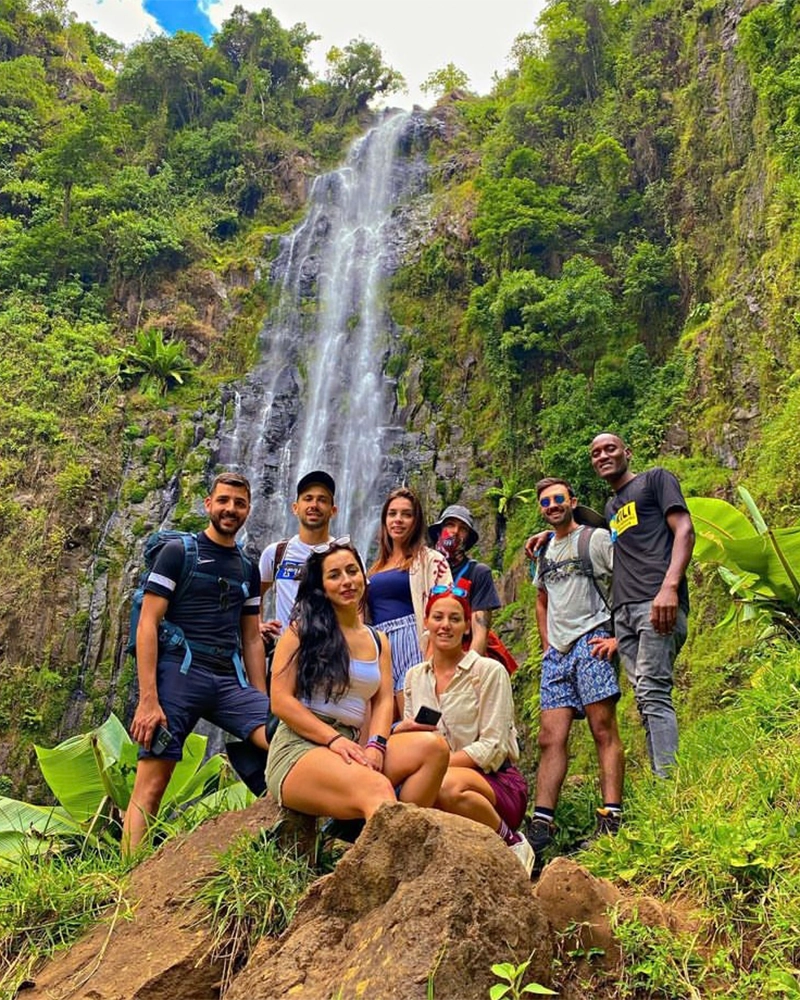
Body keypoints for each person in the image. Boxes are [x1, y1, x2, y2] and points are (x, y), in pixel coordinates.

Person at [123, 472, 271, 854]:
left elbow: (252, 637)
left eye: (239, 503)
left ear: (248, 509)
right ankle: (123, 885)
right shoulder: (179, 554)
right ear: (208, 504)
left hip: (226, 679)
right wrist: (148, 699)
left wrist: (263, 701)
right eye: (223, 501)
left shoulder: (247, 568)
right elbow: (148, 624)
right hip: (179, 676)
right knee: (151, 787)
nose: (230, 509)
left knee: (280, 736)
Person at [266, 538, 449, 820]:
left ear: (364, 576)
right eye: (334, 575)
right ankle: (391, 852)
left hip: (355, 746)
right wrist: (334, 740)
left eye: (352, 571)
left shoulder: (378, 640)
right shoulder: (299, 632)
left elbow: (383, 698)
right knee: (377, 788)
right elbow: (280, 701)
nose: (347, 581)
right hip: (300, 747)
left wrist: (376, 745)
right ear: (322, 588)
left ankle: (390, 830)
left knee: (434, 748)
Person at [398, 586, 535, 877]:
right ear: (426, 622)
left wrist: (434, 765)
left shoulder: (487, 671)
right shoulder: (414, 677)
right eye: (438, 617)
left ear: (466, 626)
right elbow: (412, 741)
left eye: (454, 619)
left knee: (443, 784)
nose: (445, 625)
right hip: (437, 779)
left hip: (495, 783)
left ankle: (511, 843)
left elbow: (494, 748)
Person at [527, 477, 625, 865]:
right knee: (550, 737)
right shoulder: (544, 550)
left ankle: (612, 816)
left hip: (592, 639)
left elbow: (627, 579)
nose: (553, 505)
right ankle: (541, 826)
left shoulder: (595, 540)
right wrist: (546, 643)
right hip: (558, 653)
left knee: (604, 728)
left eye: (558, 498)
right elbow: (541, 598)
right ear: (541, 509)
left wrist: (619, 637)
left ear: (572, 501)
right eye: (546, 501)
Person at [589, 433, 694, 777]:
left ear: (627, 452)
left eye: (610, 449)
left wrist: (669, 587)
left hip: (657, 601)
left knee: (653, 690)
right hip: (625, 613)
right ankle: (664, 777)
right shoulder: (611, 508)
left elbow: (684, 530)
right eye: (596, 453)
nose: (603, 455)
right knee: (644, 697)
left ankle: (670, 783)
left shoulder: (655, 480)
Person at [367, 487, 451, 714]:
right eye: (392, 513)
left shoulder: (430, 560)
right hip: (378, 645)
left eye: (406, 514)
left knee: (412, 716)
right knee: (378, 722)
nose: (398, 520)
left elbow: (445, 608)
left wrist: (433, 656)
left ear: (417, 521)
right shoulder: (374, 568)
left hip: (412, 641)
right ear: (384, 520)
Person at [259, 470, 338, 641]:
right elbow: (254, 594)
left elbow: (361, 607)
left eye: (322, 500)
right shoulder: (276, 553)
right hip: (284, 652)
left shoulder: (344, 555)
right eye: (308, 498)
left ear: (333, 510)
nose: (314, 505)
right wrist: (257, 624)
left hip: (330, 652)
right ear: (295, 508)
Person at [427, 504, 501, 655]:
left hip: (464, 653)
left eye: (463, 529)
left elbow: (480, 631)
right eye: (450, 525)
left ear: (467, 538)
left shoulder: (478, 573)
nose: (455, 532)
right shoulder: (422, 570)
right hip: (422, 652)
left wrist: (468, 669)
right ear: (439, 531)